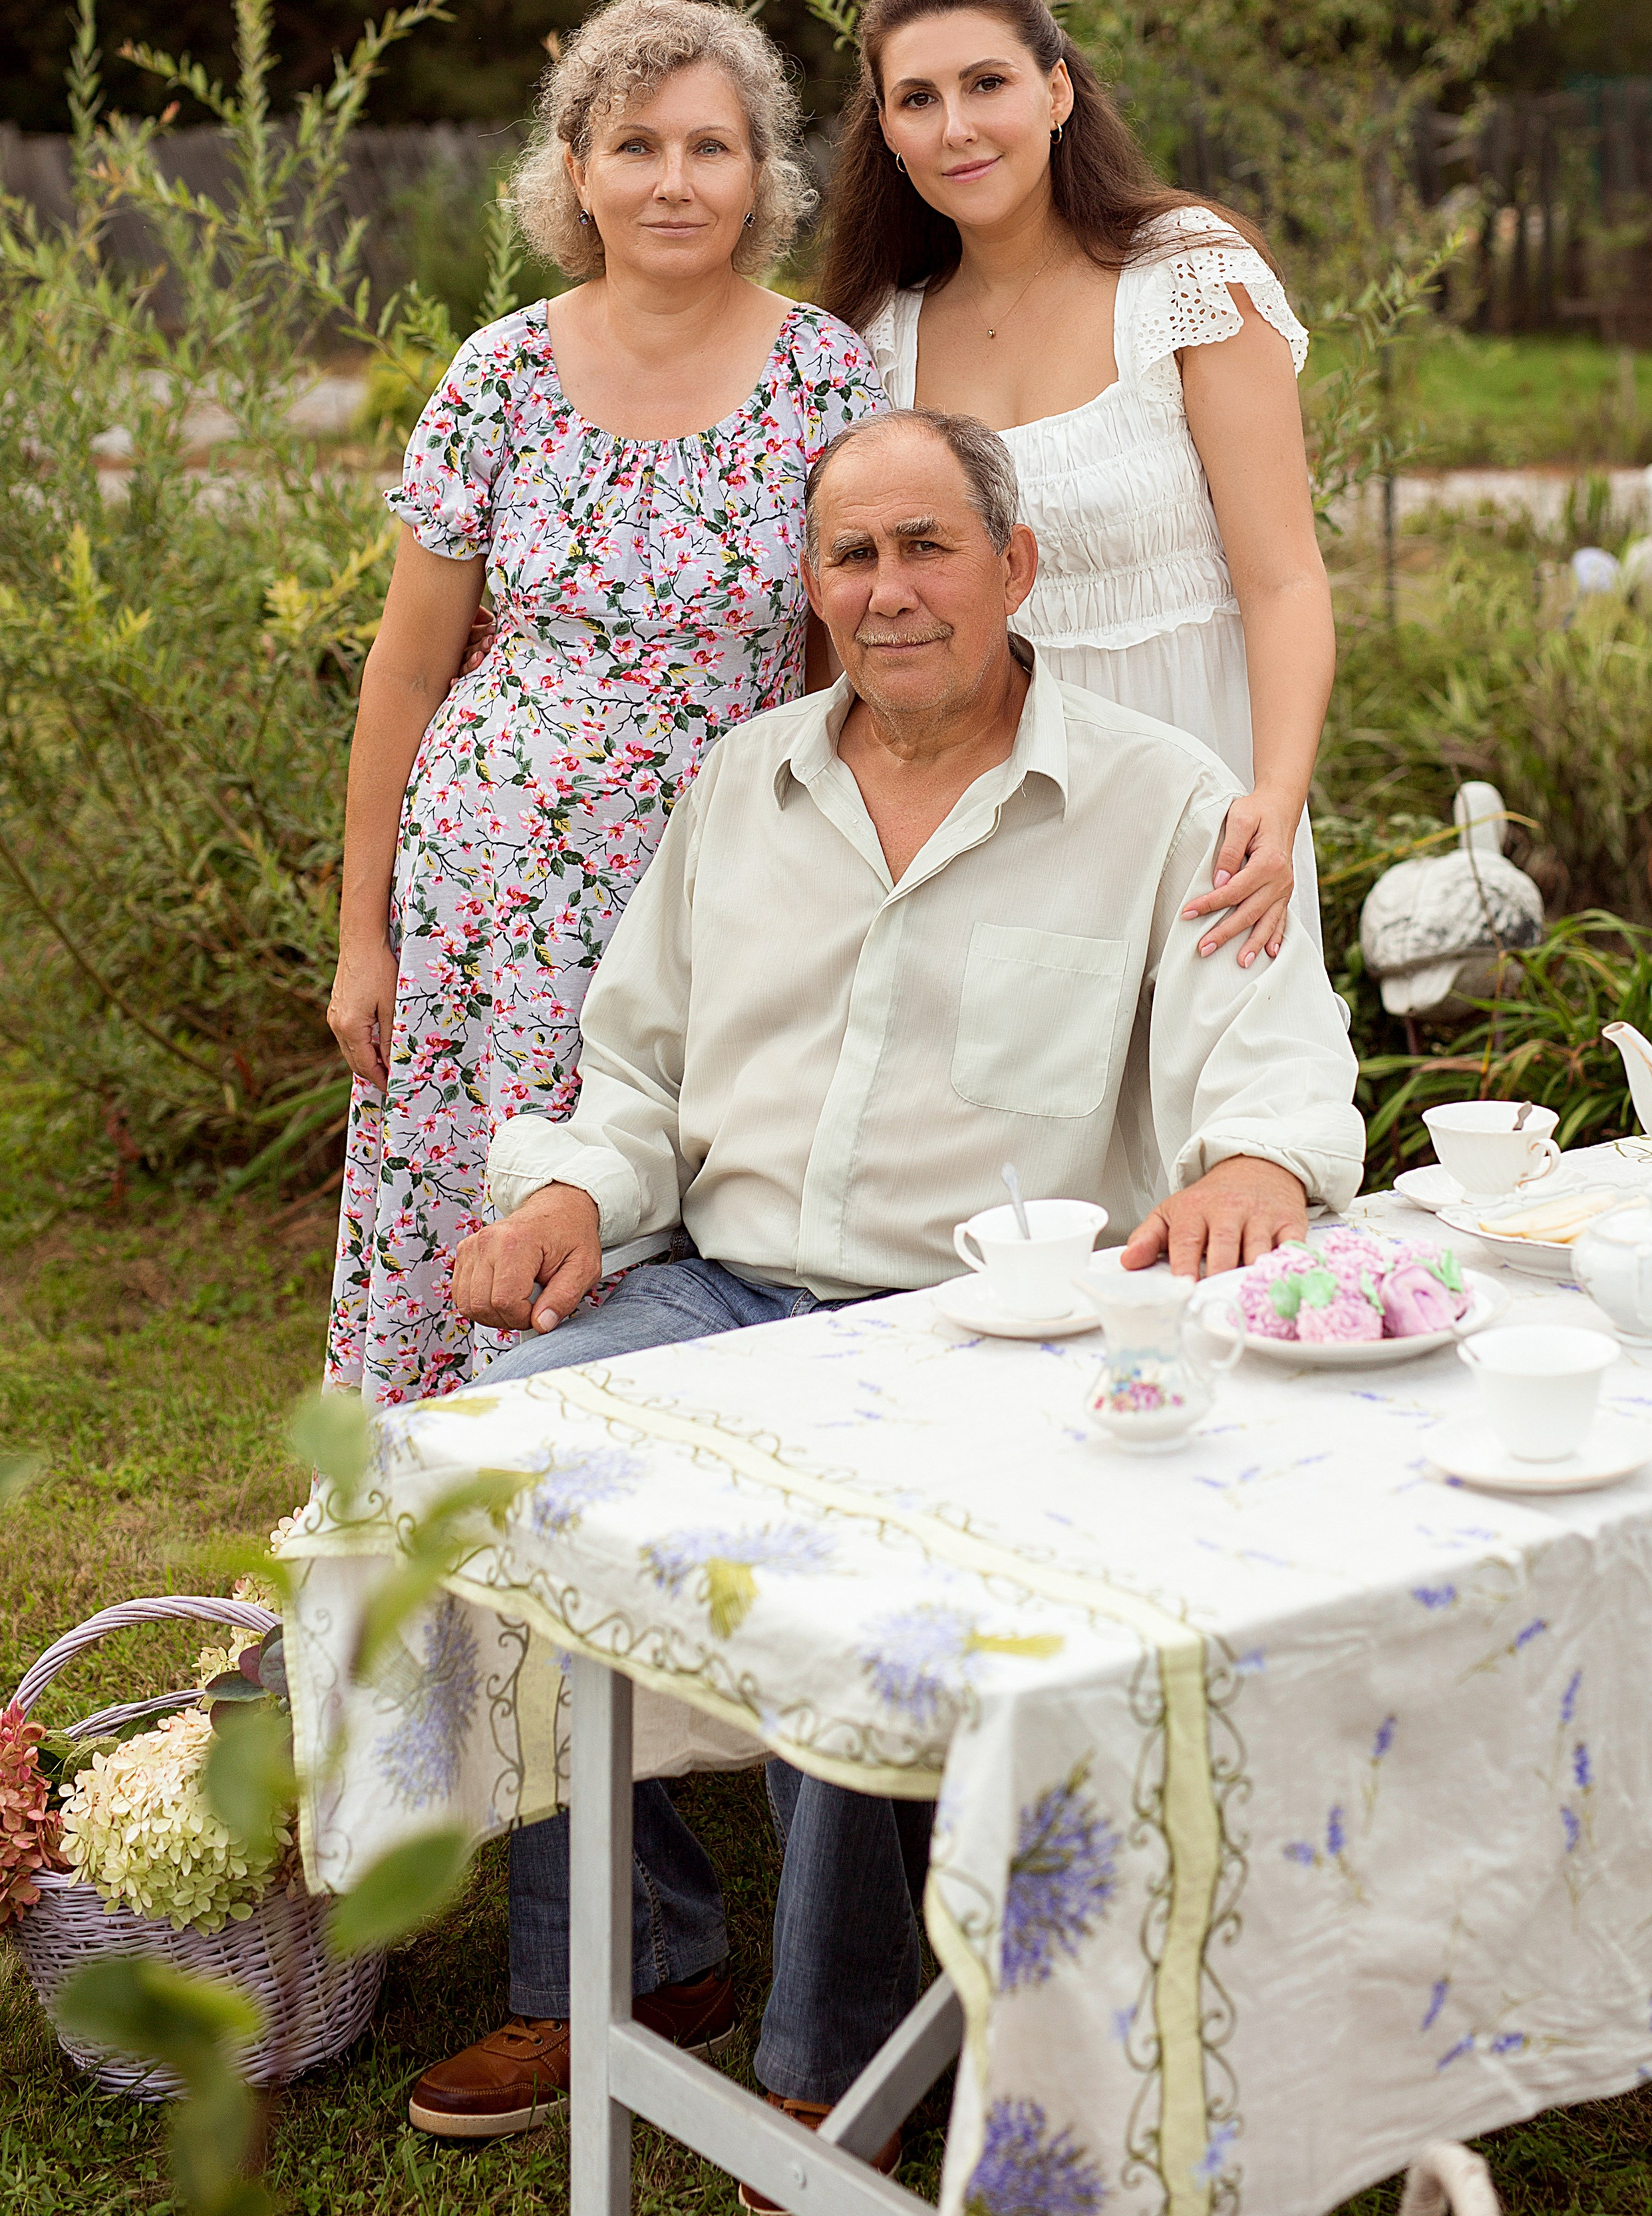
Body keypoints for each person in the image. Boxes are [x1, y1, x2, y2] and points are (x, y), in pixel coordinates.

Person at [404, 407, 1362, 2166]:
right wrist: (564, 1193)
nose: (890, 588)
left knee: (869, 1565)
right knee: (499, 1450)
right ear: (813, 582)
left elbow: (1279, 1070)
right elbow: (634, 1076)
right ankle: (625, 1958)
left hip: (975, 1334)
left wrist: (1256, 1162)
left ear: (1017, 566)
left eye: (928, 546)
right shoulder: (739, 785)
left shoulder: (1166, 800)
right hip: (725, 1287)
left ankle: (836, 2068)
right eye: (853, 554)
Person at [323, 0, 886, 1405]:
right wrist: (360, 935)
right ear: (575, 170)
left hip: (713, 889)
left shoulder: (825, 379)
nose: (673, 181)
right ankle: (423, 1548)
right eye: (635, 145)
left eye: (711, 146)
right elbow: (404, 672)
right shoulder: (497, 375)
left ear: (760, 173)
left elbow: (849, 664)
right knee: (477, 1218)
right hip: (487, 898)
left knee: (669, 1232)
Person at [816, 0, 1334, 969]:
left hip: (1203, 791)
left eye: (988, 83)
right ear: (887, 131)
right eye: (917, 99)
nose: (957, 126)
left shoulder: (1188, 280)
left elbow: (1282, 580)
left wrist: (1274, 799)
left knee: (1219, 1109)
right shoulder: (873, 342)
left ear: (1056, 91)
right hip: (983, 811)